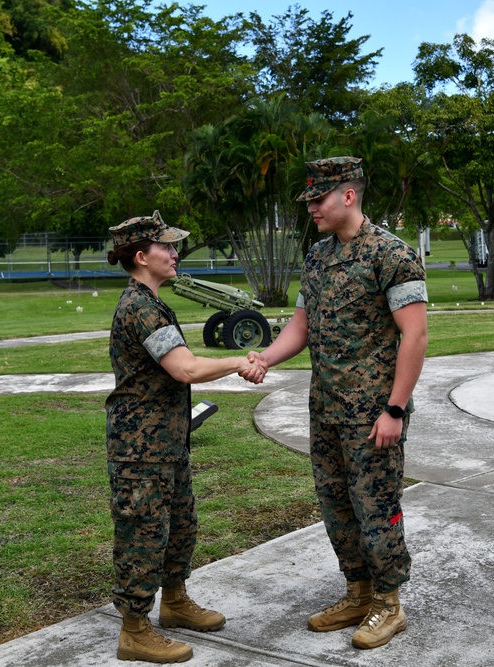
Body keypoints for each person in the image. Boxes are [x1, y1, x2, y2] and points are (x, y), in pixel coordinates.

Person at [248, 157, 428, 650]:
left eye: (318, 199)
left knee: (376, 505)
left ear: (348, 195)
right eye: (308, 200)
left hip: (373, 412)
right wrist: (266, 357)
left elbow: (415, 335)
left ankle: (389, 603)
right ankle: (357, 591)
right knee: (335, 503)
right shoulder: (317, 257)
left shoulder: (392, 255)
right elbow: (300, 328)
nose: (311, 209)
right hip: (326, 408)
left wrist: (394, 409)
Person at [105, 210, 264, 663]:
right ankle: (135, 629)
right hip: (141, 447)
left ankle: (174, 603)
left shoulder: (152, 302)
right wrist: (238, 362)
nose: (175, 254)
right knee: (143, 533)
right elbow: (185, 368)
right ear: (141, 256)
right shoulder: (139, 307)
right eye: (166, 248)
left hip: (166, 442)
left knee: (179, 527)